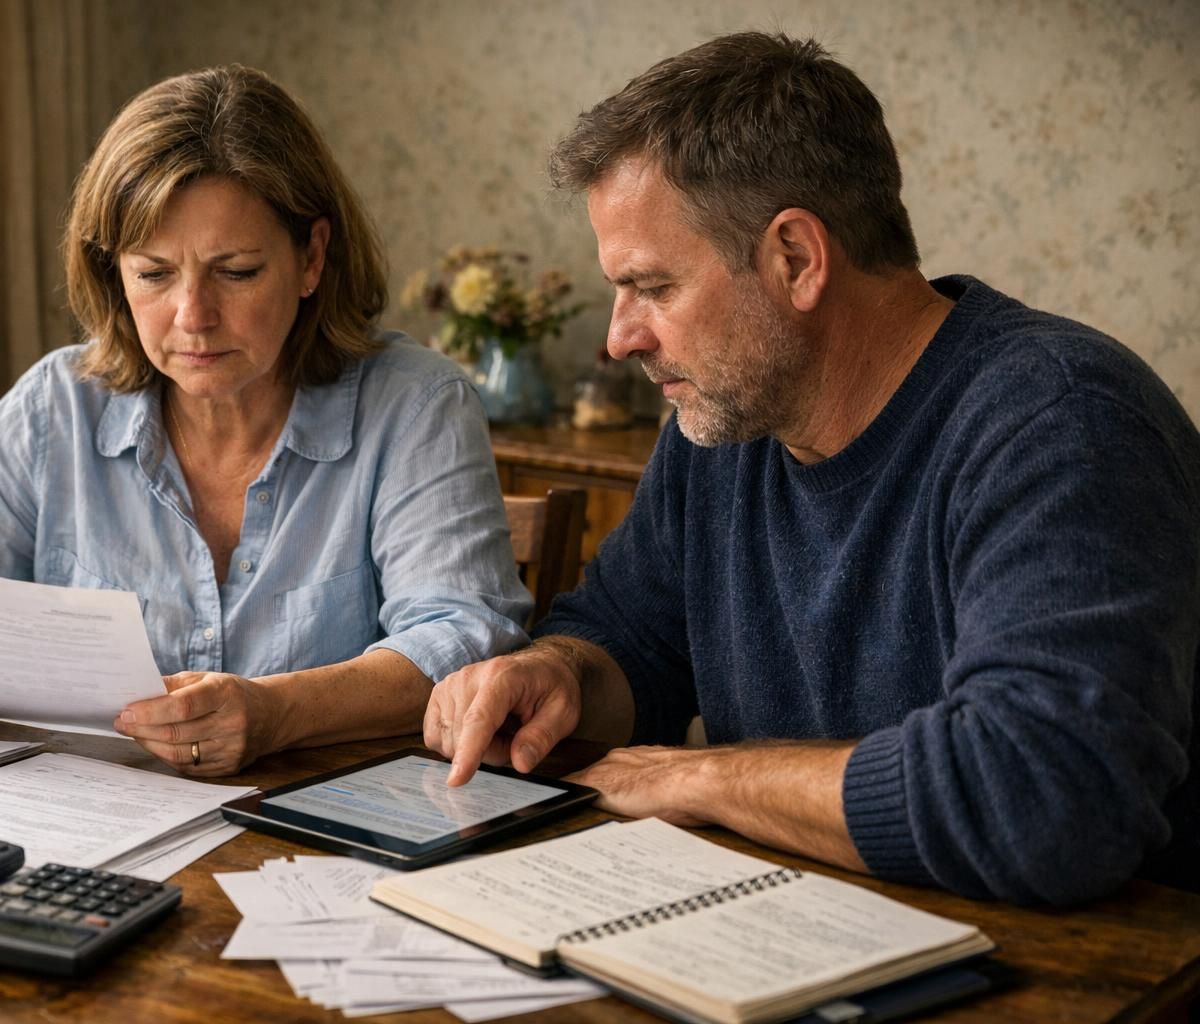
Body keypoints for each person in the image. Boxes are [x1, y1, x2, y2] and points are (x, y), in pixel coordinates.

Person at [425, 31, 1200, 906]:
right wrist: (561, 674)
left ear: (795, 258)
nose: (619, 338)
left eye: (653, 287)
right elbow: (632, 644)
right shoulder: (719, 426)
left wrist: (705, 778)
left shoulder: (1063, 421)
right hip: (803, 925)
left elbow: (1043, 798)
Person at [0, 65, 532, 776]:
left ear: (311, 257)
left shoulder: (416, 405)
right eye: (153, 274)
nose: (193, 319)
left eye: (235, 272)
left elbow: (461, 640)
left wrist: (277, 712)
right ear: (114, 271)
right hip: (88, 831)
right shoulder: (59, 405)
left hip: (329, 843)